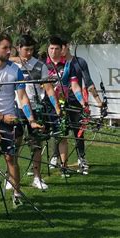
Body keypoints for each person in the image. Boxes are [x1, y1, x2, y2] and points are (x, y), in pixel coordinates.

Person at [0, 33, 42, 207]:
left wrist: (31, 119)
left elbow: (23, 97)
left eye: (9, 47)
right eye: (4, 47)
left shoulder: (15, 70)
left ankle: (17, 193)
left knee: (10, 158)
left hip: (8, 121)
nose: (8, 51)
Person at [11, 34, 59, 190]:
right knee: (14, 144)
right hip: (16, 108)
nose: (29, 53)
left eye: (32, 49)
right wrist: (15, 59)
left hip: (35, 108)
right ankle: (11, 177)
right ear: (18, 48)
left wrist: (57, 106)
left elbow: (49, 89)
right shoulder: (11, 65)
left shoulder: (40, 66)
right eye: (26, 49)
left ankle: (37, 177)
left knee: (36, 144)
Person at [61, 39, 105, 174]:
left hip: (77, 102)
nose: (56, 51)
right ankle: (57, 159)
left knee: (78, 132)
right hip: (59, 102)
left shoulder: (79, 62)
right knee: (60, 131)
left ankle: (81, 158)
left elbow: (88, 82)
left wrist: (98, 101)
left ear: (67, 46)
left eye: (59, 47)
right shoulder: (54, 64)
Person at [45, 36, 86, 177]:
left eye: (57, 48)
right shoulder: (43, 66)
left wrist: (82, 101)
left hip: (62, 104)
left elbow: (75, 86)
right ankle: (39, 166)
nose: (54, 51)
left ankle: (64, 166)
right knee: (44, 134)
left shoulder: (68, 65)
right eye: (51, 48)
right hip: (46, 105)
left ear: (61, 49)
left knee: (62, 134)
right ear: (47, 49)